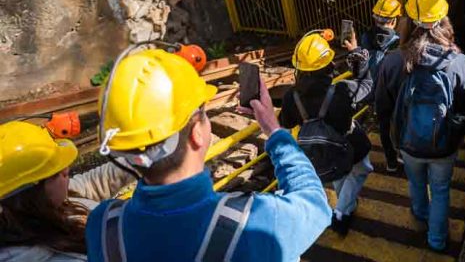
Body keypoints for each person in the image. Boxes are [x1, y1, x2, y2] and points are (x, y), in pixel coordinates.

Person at [86, 48, 332, 262]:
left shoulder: (104, 226)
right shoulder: (258, 223)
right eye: (203, 113)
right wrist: (274, 131)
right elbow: (315, 203)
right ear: (197, 133)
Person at [375, 0, 465, 253]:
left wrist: (392, 145)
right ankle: (437, 240)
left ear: (407, 20)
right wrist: (456, 135)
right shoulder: (459, 62)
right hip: (443, 144)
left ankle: (420, 216)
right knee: (442, 190)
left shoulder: (392, 61)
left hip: (408, 145)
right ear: (444, 18)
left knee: (416, 182)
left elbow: (383, 110)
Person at [0, 121, 134, 262]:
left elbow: (94, 183)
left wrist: (138, 161)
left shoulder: (45, 207)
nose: (66, 170)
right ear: (33, 191)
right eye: (55, 171)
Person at [281, 30, 373, 236]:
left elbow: (285, 123)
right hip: (349, 144)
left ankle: (345, 205)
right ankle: (341, 212)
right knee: (361, 169)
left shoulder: (291, 97)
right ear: (327, 65)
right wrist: (357, 53)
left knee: (338, 173)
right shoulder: (341, 91)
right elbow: (367, 85)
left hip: (319, 150)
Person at [359, 0, 403, 172]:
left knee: (384, 127)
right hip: (395, 91)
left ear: (375, 18)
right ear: (394, 20)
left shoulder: (365, 37)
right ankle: (401, 155)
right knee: (400, 122)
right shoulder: (399, 42)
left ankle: (391, 162)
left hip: (376, 93)